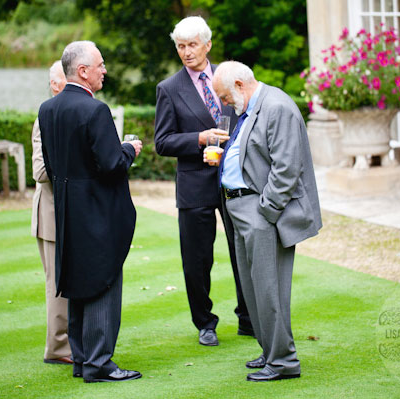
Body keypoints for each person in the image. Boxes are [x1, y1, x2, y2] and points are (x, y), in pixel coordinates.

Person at [205, 61, 322, 381]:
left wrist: (265, 213)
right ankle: (270, 350)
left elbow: (286, 169)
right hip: (238, 209)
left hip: (260, 213)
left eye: (225, 96)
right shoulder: (250, 108)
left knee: (269, 289)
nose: (224, 104)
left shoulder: (278, 106)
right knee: (254, 289)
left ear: (240, 85)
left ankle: (283, 362)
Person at [38, 40, 143, 383]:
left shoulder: (47, 109)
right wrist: (129, 148)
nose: (104, 70)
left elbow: (52, 167)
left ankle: (82, 359)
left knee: (78, 283)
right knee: (102, 280)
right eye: (100, 65)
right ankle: (99, 364)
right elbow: (112, 165)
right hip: (98, 211)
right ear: (83, 71)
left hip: (68, 209)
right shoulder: (95, 110)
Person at [154, 16, 253, 347]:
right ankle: (205, 323)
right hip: (194, 185)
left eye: (192, 45)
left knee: (244, 249)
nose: (186, 52)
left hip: (234, 179)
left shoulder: (231, 79)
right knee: (197, 259)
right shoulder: (168, 89)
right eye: (180, 46)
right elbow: (162, 142)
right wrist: (199, 138)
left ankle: (249, 317)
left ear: (207, 45)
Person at [31, 60, 71, 366]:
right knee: (56, 286)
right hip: (51, 214)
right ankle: (58, 350)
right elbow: (40, 171)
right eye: (53, 81)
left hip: (76, 215)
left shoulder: (84, 111)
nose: (53, 86)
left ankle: (77, 343)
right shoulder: (44, 117)